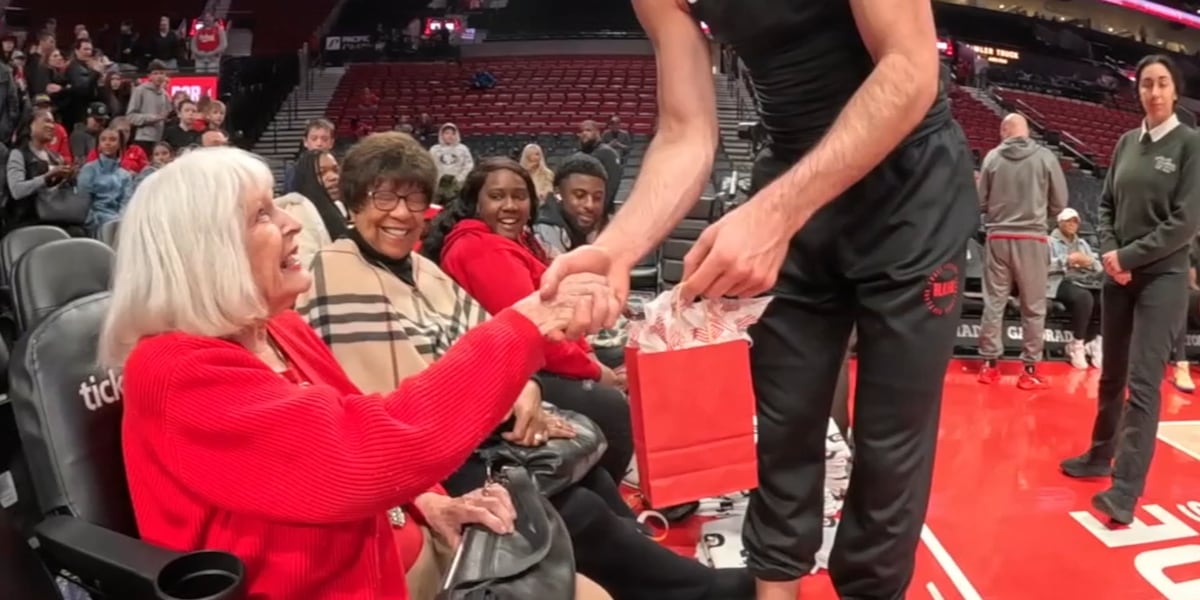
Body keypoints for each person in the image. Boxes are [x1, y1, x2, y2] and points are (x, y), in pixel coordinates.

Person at [538, 2, 979, 598]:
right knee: (782, 428)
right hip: (790, 173)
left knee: (888, 443)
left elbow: (909, 67)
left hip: (912, 188)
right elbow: (687, 129)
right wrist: (617, 248)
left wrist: (777, 212)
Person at [102, 146, 615, 599]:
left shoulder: (279, 327)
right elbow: (363, 451)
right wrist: (525, 325)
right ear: (206, 253)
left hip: (400, 555)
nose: (292, 222)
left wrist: (433, 506)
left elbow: (360, 419)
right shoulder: (175, 370)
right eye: (262, 214)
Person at [295, 133, 753, 600]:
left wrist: (524, 389)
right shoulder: (335, 269)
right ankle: (694, 591)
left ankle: (659, 574)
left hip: (480, 427)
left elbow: (490, 339)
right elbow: (388, 398)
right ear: (352, 202)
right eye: (384, 196)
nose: (403, 213)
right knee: (575, 500)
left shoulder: (421, 268)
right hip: (426, 456)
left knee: (588, 474)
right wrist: (505, 398)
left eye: (415, 199)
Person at [1060, 55, 1200, 525]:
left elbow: (1184, 224)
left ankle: (1125, 491)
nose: (1154, 92)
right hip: (1118, 273)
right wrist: (1110, 253)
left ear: (1175, 91)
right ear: (1137, 91)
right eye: (1146, 85)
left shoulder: (1191, 146)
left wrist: (1128, 257)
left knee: (1142, 384)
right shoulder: (1124, 143)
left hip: (1163, 277)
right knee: (1111, 375)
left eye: (1162, 84)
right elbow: (1104, 205)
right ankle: (1100, 455)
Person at [976, 113, 1068, 388]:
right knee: (1034, 307)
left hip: (998, 237)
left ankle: (989, 365)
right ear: (1026, 132)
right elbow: (1060, 202)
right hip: (1033, 239)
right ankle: (1029, 370)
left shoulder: (992, 157)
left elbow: (980, 202)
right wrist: (1039, 218)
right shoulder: (1045, 157)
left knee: (994, 302)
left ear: (1004, 132)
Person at [1047, 208, 1104, 370]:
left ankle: (1098, 343)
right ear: (1059, 223)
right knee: (1083, 297)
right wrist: (1067, 261)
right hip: (1058, 282)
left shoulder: (1082, 243)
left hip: (1084, 280)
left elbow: (1098, 268)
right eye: (1068, 221)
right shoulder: (1049, 241)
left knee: (1108, 296)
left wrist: (1091, 262)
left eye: (1075, 221)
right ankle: (1077, 344)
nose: (1072, 224)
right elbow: (1042, 267)